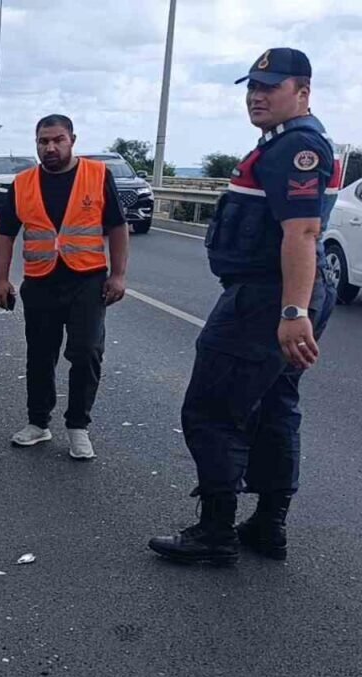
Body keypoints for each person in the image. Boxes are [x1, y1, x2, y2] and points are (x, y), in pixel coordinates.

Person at [149, 48, 341, 564]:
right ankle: (268, 525)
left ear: (302, 92)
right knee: (275, 406)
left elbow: (303, 232)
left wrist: (292, 312)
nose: (257, 96)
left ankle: (215, 532)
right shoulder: (286, 141)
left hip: (266, 298)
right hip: (284, 293)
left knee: (212, 409)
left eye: (271, 87)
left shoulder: (297, 147)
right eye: (253, 87)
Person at [0, 114, 130, 460]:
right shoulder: (22, 183)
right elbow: (4, 234)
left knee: (86, 351)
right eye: (43, 141)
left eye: (58, 140)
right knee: (40, 355)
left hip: (87, 280)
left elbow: (117, 227)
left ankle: (78, 427)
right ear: (36, 143)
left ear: (72, 140)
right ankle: (38, 423)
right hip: (40, 281)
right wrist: (1, 280)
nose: (50, 147)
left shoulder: (98, 175)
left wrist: (119, 275)